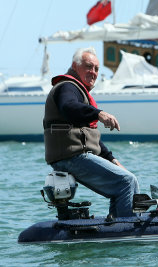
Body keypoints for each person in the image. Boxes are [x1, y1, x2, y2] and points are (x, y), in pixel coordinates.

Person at [43, 47, 139, 218]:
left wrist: (112, 160)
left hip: (72, 156)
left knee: (126, 178)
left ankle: (119, 224)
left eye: (96, 68)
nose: (93, 72)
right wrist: (98, 113)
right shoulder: (67, 87)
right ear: (75, 66)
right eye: (88, 66)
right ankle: (128, 227)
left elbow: (90, 137)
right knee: (126, 182)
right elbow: (68, 107)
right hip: (71, 158)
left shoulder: (77, 90)